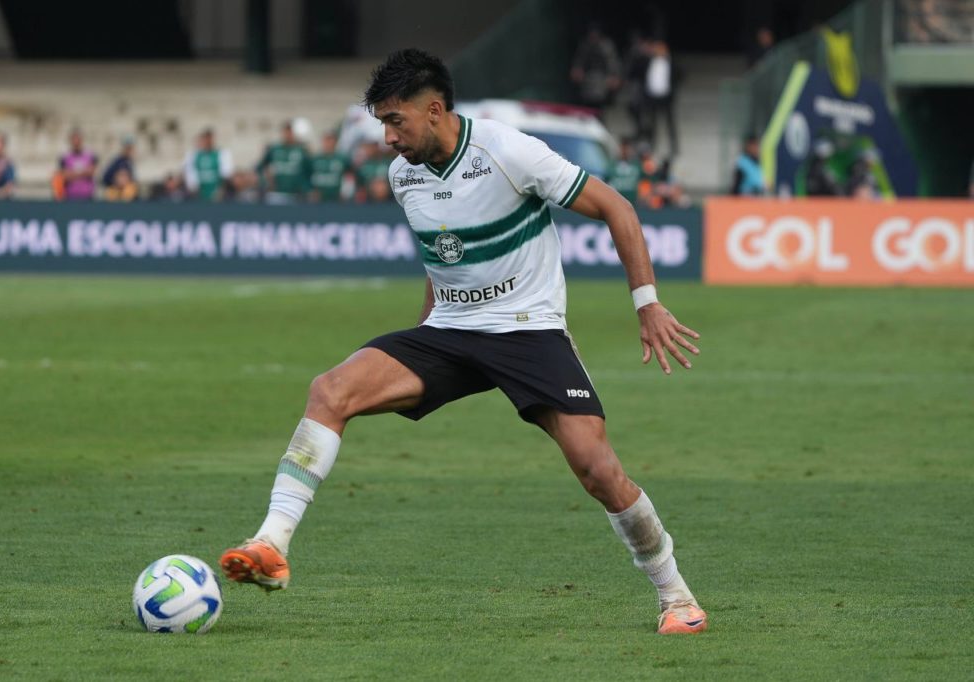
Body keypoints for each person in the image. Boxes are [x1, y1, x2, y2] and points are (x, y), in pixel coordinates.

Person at [220, 48, 708, 636]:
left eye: (395, 121)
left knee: (596, 468)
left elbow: (616, 207)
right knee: (330, 390)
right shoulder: (403, 175)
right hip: (450, 330)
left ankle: (676, 596)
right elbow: (442, 258)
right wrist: (425, 333)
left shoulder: (508, 151)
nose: (388, 138)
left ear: (434, 110)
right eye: (381, 123)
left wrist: (647, 302)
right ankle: (271, 544)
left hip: (528, 329)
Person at [570, 23, 621, 114]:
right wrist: (577, 70)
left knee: (599, 102)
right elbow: (580, 60)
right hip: (588, 77)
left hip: (601, 78)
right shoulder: (585, 44)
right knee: (586, 101)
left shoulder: (606, 45)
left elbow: (612, 62)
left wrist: (613, 76)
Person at [257, 121, 312, 203]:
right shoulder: (275, 149)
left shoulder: (302, 150)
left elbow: (309, 170)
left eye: (290, 132)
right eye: (285, 132)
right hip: (277, 192)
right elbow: (261, 166)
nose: (288, 135)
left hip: (297, 194)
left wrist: (305, 187)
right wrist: (267, 181)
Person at [642, 40, 679, 158]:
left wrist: (672, 91)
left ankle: (674, 147)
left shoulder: (671, 63)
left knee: (670, 123)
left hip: (666, 97)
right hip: (652, 96)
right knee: (652, 123)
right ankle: (652, 145)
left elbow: (679, 75)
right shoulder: (649, 61)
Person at [184, 128, 233, 202]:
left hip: (216, 193)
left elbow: (226, 174)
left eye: (210, 139)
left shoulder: (222, 154)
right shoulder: (193, 155)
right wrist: (193, 189)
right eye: (206, 139)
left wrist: (221, 190)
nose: (208, 141)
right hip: (199, 194)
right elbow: (189, 172)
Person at [309, 131, 351, 203]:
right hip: (319, 198)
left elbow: (349, 176)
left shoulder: (342, 159)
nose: (328, 143)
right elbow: (307, 175)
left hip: (336, 197)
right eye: (326, 140)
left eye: (331, 140)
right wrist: (310, 190)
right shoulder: (315, 159)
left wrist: (346, 192)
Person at [59, 129, 98, 201]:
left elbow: (91, 172)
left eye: (78, 139)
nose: (76, 142)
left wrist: (73, 173)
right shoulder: (65, 157)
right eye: (74, 140)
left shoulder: (90, 155)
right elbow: (66, 175)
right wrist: (83, 172)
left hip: (87, 195)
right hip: (70, 195)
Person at [606, 137, 642, 205]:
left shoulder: (636, 165)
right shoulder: (612, 166)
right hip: (615, 203)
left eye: (627, 148)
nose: (625, 151)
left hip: (633, 203)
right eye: (623, 148)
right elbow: (606, 181)